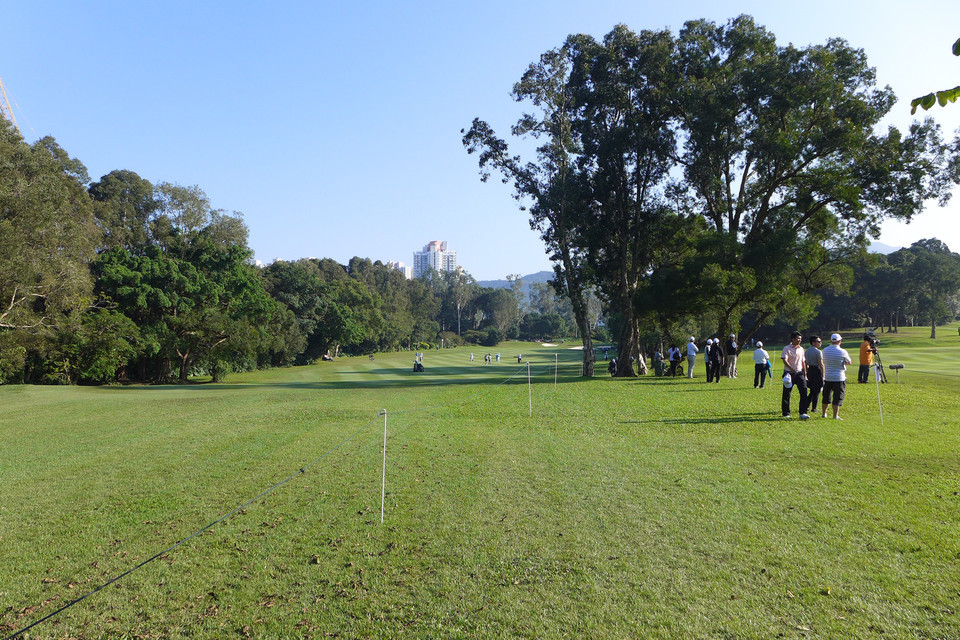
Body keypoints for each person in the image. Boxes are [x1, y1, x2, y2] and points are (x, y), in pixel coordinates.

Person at [821, 333, 852, 419]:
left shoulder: (825, 350)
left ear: (831, 341)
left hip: (828, 376)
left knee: (826, 396)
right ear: (839, 341)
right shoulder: (843, 351)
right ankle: (835, 415)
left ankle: (824, 413)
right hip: (839, 377)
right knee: (837, 397)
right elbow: (849, 361)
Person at [780, 331, 810, 419]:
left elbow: (803, 361)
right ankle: (786, 413)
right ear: (793, 339)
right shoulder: (787, 348)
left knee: (804, 391)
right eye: (798, 338)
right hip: (789, 374)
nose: (799, 340)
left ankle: (803, 412)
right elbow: (785, 360)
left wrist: (805, 373)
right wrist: (791, 369)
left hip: (800, 373)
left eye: (800, 338)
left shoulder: (801, 349)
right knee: (787, 394)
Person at [805, 336, 825, 414]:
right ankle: (814, 408)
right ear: (813, 342)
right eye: (818, 341)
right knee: (816, 390)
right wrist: (823, 375)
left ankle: (806, 405)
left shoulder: (806, 351)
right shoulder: (818, 352)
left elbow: (805, 363)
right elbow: (821, 364)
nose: (820, 343)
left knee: (812, 390)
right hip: (816, 370)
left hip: (810, 370)